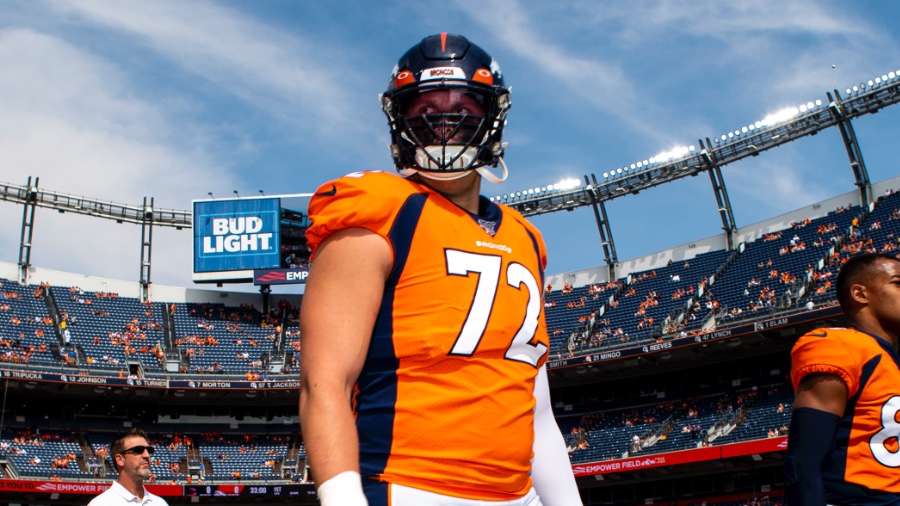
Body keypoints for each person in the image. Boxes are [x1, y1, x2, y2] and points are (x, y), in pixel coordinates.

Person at [299, 33, 582, 506]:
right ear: (400, 121)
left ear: (492, 119)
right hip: (411, 488)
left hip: (519, 494)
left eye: (463, 112)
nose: (446, 127)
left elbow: (537, 409)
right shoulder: (379, 210)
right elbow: (324, 382)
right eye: (426, 114)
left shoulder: (525, 237)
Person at [786, 253, 900, 504]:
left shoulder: (891, 361)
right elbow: (804, 460)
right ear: (860, 294)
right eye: (898, 283)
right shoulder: (843, 345)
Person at [88, 428, 168, 506]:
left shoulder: (160, 503)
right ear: (120, 460)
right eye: (138, 450)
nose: (147, 455)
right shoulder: (100, 503)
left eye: (149, 450)